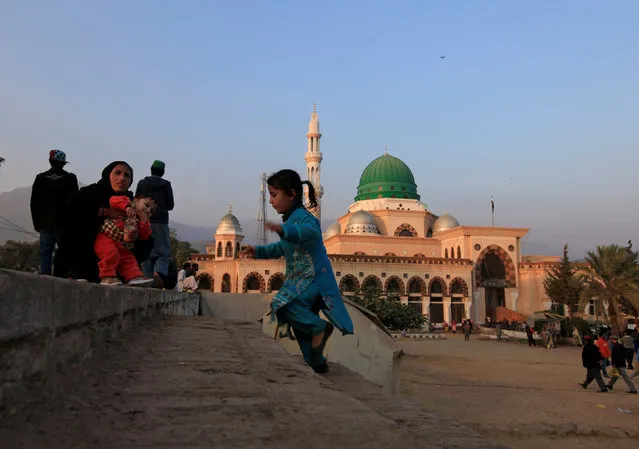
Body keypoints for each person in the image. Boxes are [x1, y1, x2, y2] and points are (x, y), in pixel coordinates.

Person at [241, 169, 353, 374]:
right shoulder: (291, 220)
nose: (272, 202)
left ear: (291, 194)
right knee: (302, 330)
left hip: (313, 278)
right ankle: (317, 364)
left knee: (284, 304)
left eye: (274, 195)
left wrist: (285, 231)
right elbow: (281, 248)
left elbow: (310, 233)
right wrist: (257, 251)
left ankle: (319, 328)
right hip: (301, 279)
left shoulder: (303, 218)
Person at [54, 161, 154, 282]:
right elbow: (69, 213)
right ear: (108, 174)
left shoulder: (133, 203)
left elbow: (145, 239)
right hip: (82, 262)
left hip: (119, 258)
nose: (122, 178)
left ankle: (129, 275)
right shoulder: (90, 193)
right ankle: (78, 272)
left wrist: (135, 234)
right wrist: (104, 212)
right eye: (117, 173)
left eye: (127, 175)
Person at [30, 150, 79, 275]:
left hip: (45, 222)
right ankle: (63, 274)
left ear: (50, 161)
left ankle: (45, 273)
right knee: (65, 250)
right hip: (64, 222)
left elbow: (34, 202)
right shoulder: (70, 178)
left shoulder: (41, 178)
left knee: (45, 250)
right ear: (63, 164)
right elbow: (75, 201)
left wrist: (36, 222)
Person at [94, 192, 156, 286]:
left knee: (128, 258)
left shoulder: (141, 221)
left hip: (121, 244)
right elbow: (113, 200)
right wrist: (127, 207)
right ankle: (107, 276)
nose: (148, 211)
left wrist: (144, 221)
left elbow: (144, 236)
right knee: (111, 253)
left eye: (151, 211)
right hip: (105, 237)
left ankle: (134, 276)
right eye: (146, 205)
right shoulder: (127, 204)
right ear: (135, 201)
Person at [136, 160, 174, 286]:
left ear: (151, 169)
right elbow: (170, 205)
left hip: (143, 219)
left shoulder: (142, 183)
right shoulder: (166, 185)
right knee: (163, 252)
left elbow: (136, 200)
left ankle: (147, 279)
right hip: (161, 221)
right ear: (163, 172)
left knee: (145, 252)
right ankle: (158, 273)